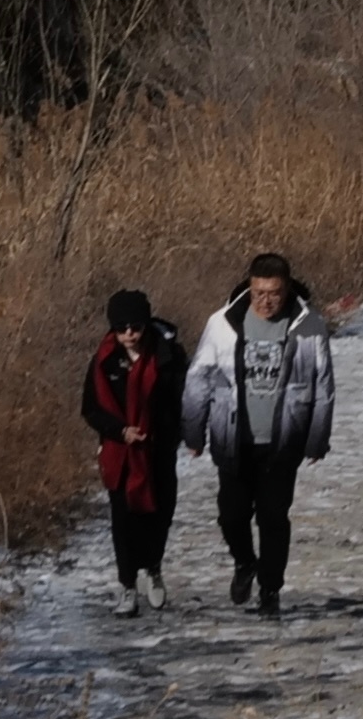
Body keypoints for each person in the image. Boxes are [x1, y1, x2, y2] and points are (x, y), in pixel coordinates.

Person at [182, 250, 335, 622]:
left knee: (273, 518)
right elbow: (199, 376)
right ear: (248, 288)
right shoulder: (222, 323)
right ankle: (245, 562)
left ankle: (270, 590)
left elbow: (323, 384)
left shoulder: (309, 325)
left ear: (287, 290)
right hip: (232, 437)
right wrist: (193, 430)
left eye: (274, 294)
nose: (266, 301)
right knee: (231, 516)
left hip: (284, 440)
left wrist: (317, 438)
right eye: (258, 293)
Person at [82, 288, 190, 616]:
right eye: (121, 327)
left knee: (159, 515)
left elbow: (184, 400)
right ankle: (127, 586)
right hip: (119, 455)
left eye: (136, 326)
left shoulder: (169, 356)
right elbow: (90, 408)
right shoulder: (104, 361)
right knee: (123, 521)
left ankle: (153, 568)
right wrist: (119, 430)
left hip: (157, 451)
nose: (129, 333)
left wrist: (168, 433)